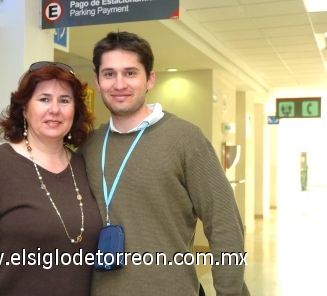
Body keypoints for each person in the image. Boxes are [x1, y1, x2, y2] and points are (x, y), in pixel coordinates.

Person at [79, 31, 250, 295]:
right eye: (109, 73)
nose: (119, 83)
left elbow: (225, 224)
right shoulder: (89, 146)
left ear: (150, 79)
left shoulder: (185, 139)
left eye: (131, 73)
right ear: (98, 81)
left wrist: (230, 292)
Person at [0, 61, 103, 295]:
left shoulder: (84, 166)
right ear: (24, 108)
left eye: (64, 100)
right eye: (44, 99)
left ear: (76, 111)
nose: (54, 109)